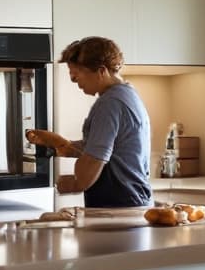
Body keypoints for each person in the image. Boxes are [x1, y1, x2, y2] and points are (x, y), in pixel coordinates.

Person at [27, 36, 152, 208]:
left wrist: (74, 183)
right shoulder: (127, 94)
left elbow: (90, 169)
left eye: (76, 75)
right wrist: (61, 144)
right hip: (132, 202)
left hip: (119, 207)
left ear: (101, 71)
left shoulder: (109, 103)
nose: (73, 80)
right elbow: (110, 149)